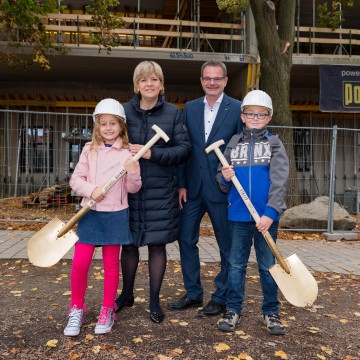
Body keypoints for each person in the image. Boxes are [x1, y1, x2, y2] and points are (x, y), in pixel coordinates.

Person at [114, 60, 191, 324]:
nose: (149, 84)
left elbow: (183, 149)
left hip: (161, 191)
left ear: (161, 84)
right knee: (130, 244)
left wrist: (151, 153)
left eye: (154, 79)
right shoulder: (123, 112)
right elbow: (110, 142)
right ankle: (126, 294)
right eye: (144, 80)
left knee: (157, 246)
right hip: (129, 189)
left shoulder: (173, 113)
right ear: (137, 85)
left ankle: (155, 299)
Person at [168, 60, 242, 317]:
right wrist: (181, 183)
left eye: (217, 78)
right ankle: (193, 293)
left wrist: (232, 178)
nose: (212, 82)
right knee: (186, 238)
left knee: (226, 244)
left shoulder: (238, 109)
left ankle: (221, 295)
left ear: (225, 81)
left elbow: (241, 150)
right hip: (192, 188)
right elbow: (183, 148)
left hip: (222, 189)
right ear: (201, 80)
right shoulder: (189, 109)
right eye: (207, 78)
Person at [64, 98, 142, 336]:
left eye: (113, 124)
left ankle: (107, 310)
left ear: (121, 126)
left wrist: (133, 171)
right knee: (80, 263)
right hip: (90, 212)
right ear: (97, 126)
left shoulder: (127, 153)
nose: (108, 128)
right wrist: (91, 190)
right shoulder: (89, 150)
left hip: (116, 214)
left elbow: (133, 188)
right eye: (103, 123)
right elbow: (75, 180)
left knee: (110, 265)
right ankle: (76, 307)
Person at [216, 90, 289, 335]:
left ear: (268, 117)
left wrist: (270, 212)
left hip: (266, 218)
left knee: (268, 265)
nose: (255, 117)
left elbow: (279, 181)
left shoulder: (274, 144)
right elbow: (221, 180)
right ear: (243, 116)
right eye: (250, 113)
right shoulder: (233, 145)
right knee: (236, 265)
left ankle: (271, 311)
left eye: (261, 114)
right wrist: (224, 178)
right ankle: (233, 308)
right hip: (238, 215)